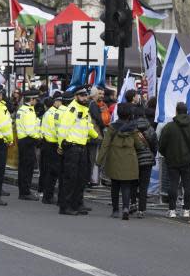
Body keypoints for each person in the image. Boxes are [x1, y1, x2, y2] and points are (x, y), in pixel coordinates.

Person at [56, 87, 98, 215]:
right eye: (82, 96)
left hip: (82, 146)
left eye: (86, 95)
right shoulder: (72, 110)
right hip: (72, 147)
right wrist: (61, 145)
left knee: (81, 177)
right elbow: (63, 128)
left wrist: (96, 137)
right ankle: (65, 206)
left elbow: (87, 126)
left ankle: (77, 203)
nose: (85, 98)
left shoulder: (84, 109)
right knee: (70, 178)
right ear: (75, 97)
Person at [97, 103, 141, 220]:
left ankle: (115, 210)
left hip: (114, 158)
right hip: (129, 159)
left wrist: (99, 160)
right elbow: (140, 145)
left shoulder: (112, 127)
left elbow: (105, 145)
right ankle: (126, 208)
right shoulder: (133, 128)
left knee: (115, 185)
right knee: (126, 185)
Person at [158, 102, 190, 218]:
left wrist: (167, 154)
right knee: (188, 185)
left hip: (172, 159)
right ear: (186, 111)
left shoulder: (168, 127)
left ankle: (172, 209)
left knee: (173, 184)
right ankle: (186, 210)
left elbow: (161, 145)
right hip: (188, 160)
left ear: (176, 111)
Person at [14, 90, 41, 201]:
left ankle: (23, 191)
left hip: (22, 141)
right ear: (32, 99)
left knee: (23, 167)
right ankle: (26, 192)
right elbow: (30, 130)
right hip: (28, 141)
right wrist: (38, 136)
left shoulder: (22, 109)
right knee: (27, 168)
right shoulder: (28, 111)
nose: (36, 101)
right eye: (35, 99)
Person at [39, 95, 64, 204]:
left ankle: (47, 195)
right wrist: (60, 145)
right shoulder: (55, 114)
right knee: (53, 172)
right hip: (52, 144)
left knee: (47, 171)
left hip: (46, 143)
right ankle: (48, 196)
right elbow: (57, 130)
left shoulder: (48, 112)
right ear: (57, 102)